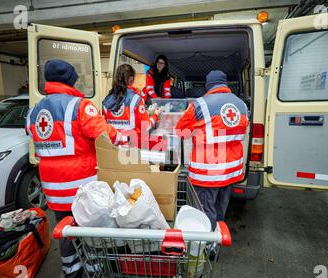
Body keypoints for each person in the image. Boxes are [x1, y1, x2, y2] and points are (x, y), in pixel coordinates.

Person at [26, 59, 122, 278]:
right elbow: (105, 135)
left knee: (65, 230)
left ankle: (71, 277)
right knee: (89, 232)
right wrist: (121, 137)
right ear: (71, 80)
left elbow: (30, 131)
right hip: (81, 186)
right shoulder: (80, 106)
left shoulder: (35, 110)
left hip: (51, 187)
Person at [175, 70, 249, 231]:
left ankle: (207, 246)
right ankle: (217, 235)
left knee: (204, 212)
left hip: (208, 171)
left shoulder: (200, 104)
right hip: (230, 170)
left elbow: (180, 130)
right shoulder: (241, 105)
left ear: (208, 86)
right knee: (220, 210)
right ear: (225, 84)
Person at [102, 64, 162, 148]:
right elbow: (145, 126)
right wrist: (155, 115)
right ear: (131, 79)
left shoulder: (106, 100)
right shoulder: (135, 99)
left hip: (113, 146)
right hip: (131, 147)